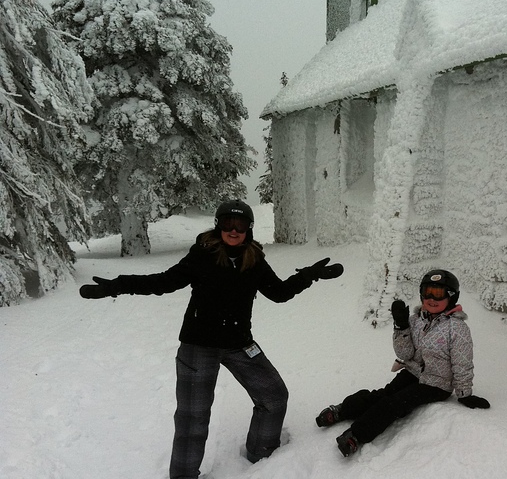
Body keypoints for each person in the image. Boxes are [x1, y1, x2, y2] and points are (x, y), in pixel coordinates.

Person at [79, 200, 343, 478]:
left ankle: (263, 458)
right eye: (227, 223)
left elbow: (279, 293)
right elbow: (162, 282)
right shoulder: (202, 256)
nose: (233, 230)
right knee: (193, 419)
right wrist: (118, 286)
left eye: (239, 225)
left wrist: (309, 275)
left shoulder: (254, 261)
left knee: (274, 396)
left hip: (239, 343)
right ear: (218, 226)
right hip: (198, 346)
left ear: (249, 229)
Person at [315, 269, 489, 457]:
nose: (431, 298)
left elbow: (462, 363)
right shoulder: (415, 320)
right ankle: (343, 410)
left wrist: (464, 394)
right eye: (428, 292)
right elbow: (405, 353)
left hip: (436, 384)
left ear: (452, 297)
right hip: (413, 372)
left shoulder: (457, 329)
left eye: (438, 293)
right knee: (383, 394)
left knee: (394, 403)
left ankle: (356, 435)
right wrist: (401, 326)